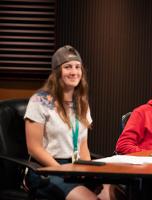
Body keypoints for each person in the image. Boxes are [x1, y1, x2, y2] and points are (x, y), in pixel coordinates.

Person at [24, 45, 108, 200]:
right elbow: (34, 148)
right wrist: (63, 170)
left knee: (111, 192)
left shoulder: (82, 103)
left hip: (75, 165)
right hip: (45, 169)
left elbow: (83, 145)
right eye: (68, 67)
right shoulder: (39, 101)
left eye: (77, 67)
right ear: (57, 72)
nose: (74, 72)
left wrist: (87, 172)